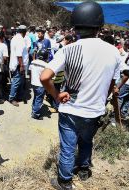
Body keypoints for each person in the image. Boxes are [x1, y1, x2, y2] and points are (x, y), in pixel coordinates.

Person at [40, 2, 121, 189]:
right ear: (99, 27)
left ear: (75, 26)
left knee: (68, 148)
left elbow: (45, 77)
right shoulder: (114, 52)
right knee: (86, 141)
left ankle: (65, 182)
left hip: (71, 109)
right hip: (95, 111)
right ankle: (84, 170)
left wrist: (57, 95)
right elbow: (111, 85)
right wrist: (102, 99)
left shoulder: (68, 50)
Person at [9, 25, 28, 107]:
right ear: (24, 32)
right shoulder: (20, 40)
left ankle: (18, 96)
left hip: (16, 63)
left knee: (19, 81)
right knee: (16, 82)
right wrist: (21, 65)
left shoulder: (15, 38)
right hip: (18, 64)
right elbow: (19, 54)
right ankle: (11, 98)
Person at [29, 50, 49, 120]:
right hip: (41, 85)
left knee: (35, 97)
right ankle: (36, 114)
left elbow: (30, 72)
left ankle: (33, 110)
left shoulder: (33, 62)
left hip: (33, 83)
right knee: (39, 99)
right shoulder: (46, 65)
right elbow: (46, 77)